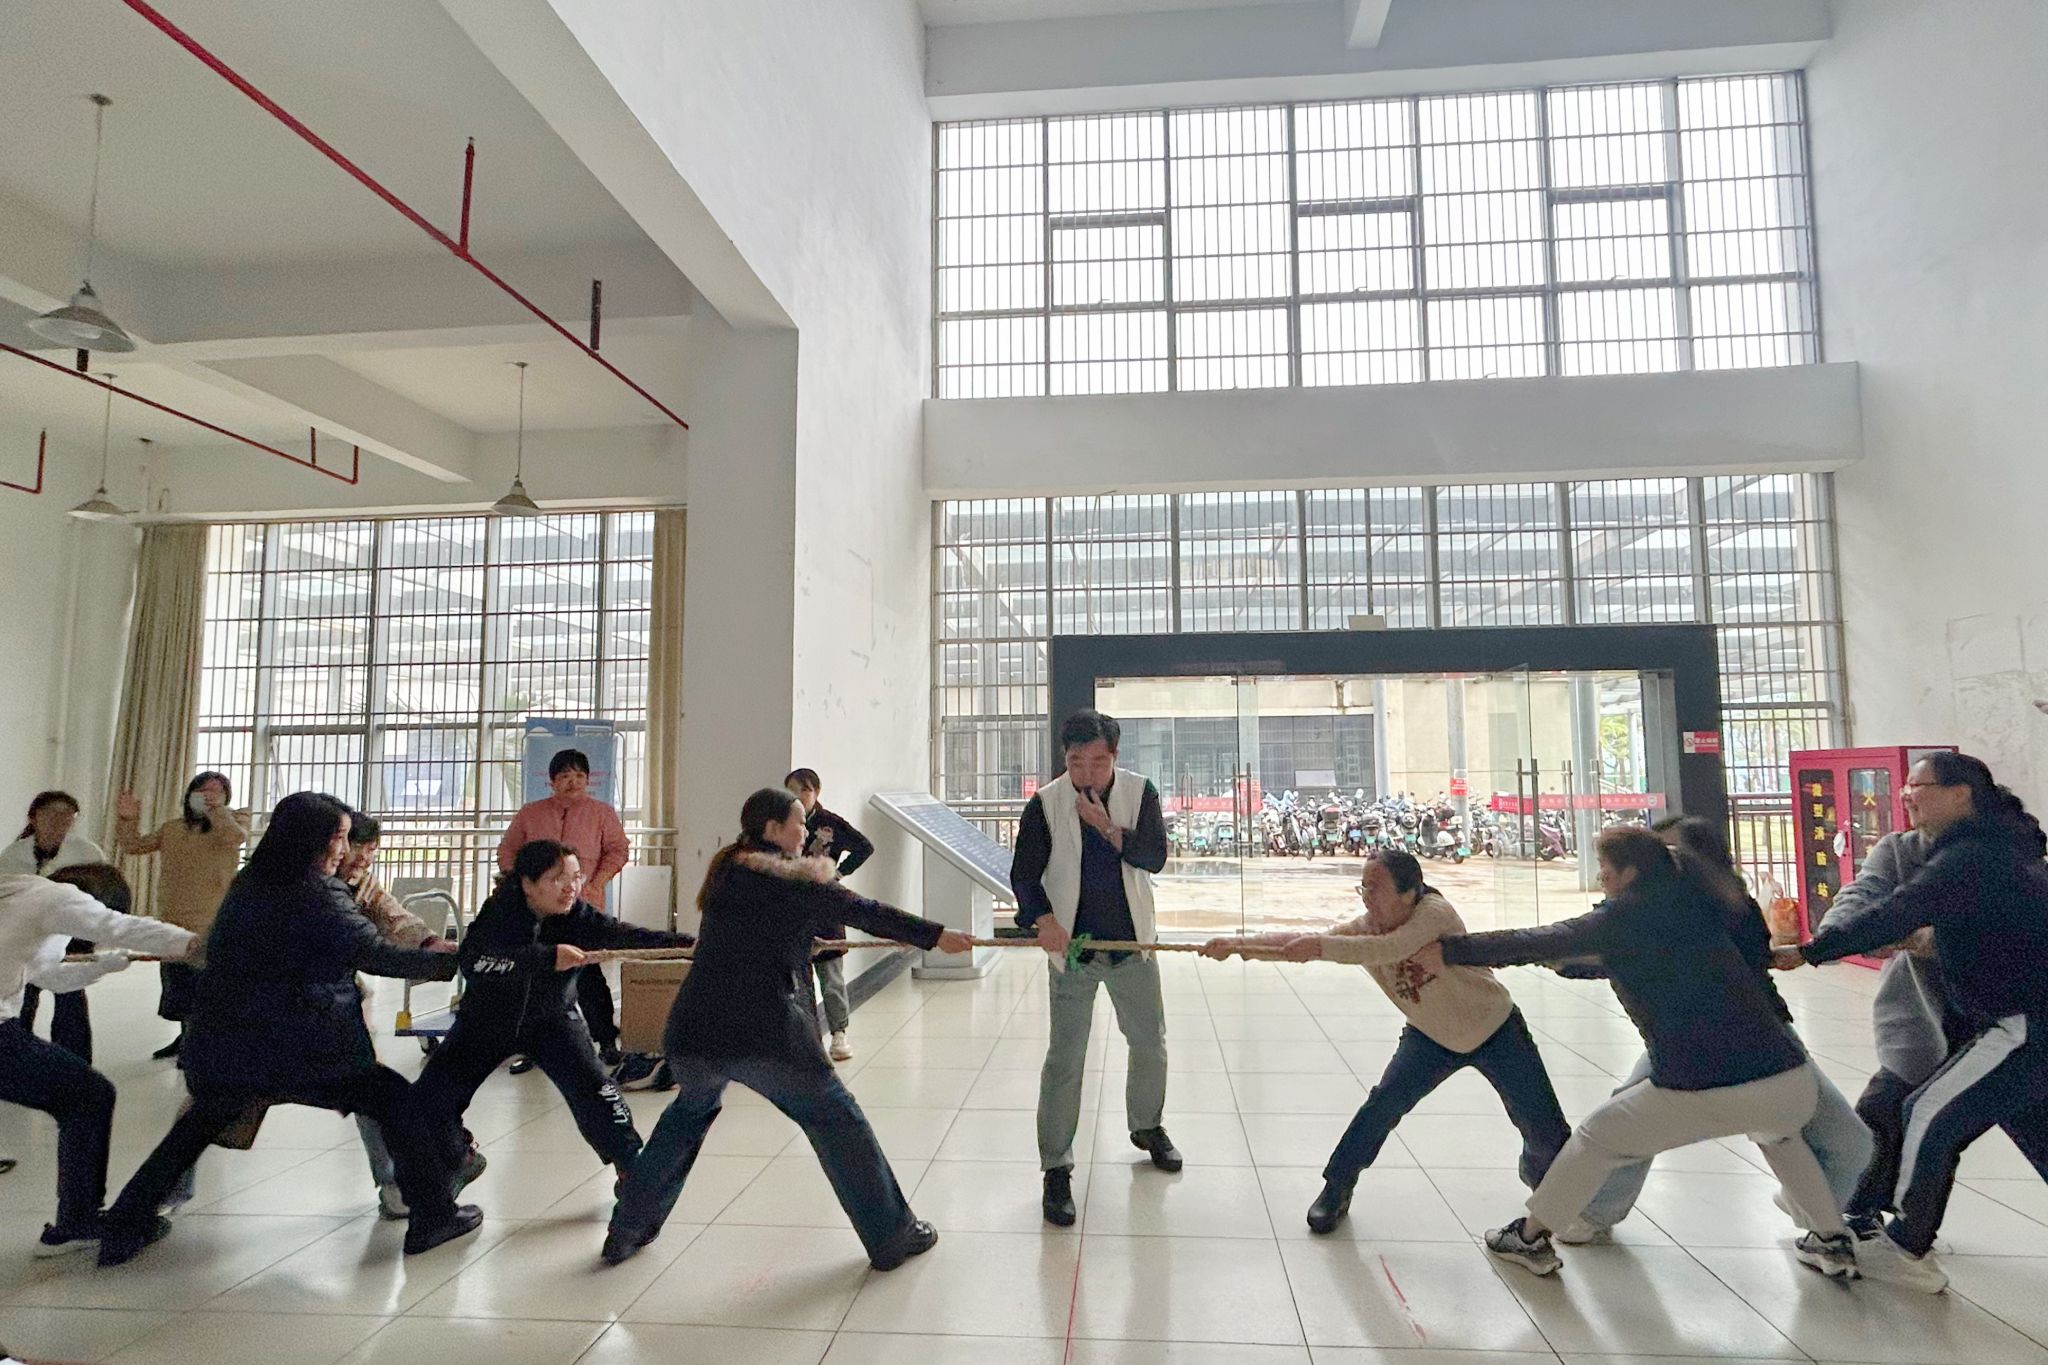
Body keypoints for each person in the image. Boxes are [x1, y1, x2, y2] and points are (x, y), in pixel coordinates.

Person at [1427, 826, 1853, 1280]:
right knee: (1780, 1137)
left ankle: (1529, 1238)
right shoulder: (1693, 905)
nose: (1601, 878)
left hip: (1706, 1083)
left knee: (1596, 1137)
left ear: (1630, 872)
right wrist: (1565, 964)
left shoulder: (1622, 917)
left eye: (1605, 869)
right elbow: (1632, 960)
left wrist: (1450, 950)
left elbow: (1539, 939)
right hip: (1789, 1080)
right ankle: (1832, 1241)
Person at [98, 792, 480, 1267]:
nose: (345, 850)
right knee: (395, 1102)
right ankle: (432, 1214)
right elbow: (374, 954)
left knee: (199, 1124)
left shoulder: (251, 882)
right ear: (312, 838)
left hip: (230, 1041)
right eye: (339, 838)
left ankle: (125, 1223)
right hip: (304, 1044)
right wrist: (457, 963)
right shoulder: (317, 892)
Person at [604, 787, 973, 1270]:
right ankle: (892, 1236)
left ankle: (626, 1230)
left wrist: (798, 940)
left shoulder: (727, 870)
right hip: (764, 1033)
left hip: (694, 1029)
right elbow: (865, 912)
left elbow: (757, 929)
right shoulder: (797, 881)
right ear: (773, 829)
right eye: (799, 822)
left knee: (685, 1117)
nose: (805, 831)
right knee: (837, 1120)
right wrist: (936, 935)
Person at [1779, 752, 2048, 1293]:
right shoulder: (1996, 847)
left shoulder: (1972, 855)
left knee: (1926, 1113)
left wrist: (1810, 952)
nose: (1906, 795)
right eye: (1904, 786)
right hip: (1992, 1024)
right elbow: (1869, 901)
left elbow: (1899, 909)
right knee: (2021, 1123)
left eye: (1918, 786)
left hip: (2020, 1025)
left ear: (1960, 794)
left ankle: (1905, 1245)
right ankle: (1863, 1216)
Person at [1201, 847, 1570, 1235]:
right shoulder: (1366, 927)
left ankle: (1553, 1188)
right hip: (1430, 1035)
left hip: (1495, 1028)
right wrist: (1238, 945)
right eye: (1363, 887)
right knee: (1381, 1108)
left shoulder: (1434, 913)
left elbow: (1390, 948)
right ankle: (1337, 1187)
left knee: (1541, 1124)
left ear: (1409, 893)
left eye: (1375, 888)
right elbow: (1305, 941)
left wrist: (1320, 948)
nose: (1367, 898)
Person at [1558, 817, 1873, 1244]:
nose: (1659, 863)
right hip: (1690, 1036)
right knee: (1628, 1116)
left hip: (1762, 1034)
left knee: (1847, 1141)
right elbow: (1618, 953)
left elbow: (1744, 963)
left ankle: (1817, 1218)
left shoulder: (1726, 906)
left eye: (1670, 853)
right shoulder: (1653, 908)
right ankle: (1596, 1211)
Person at [412, 839, 694, 1191]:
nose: (570, 887)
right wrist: (546, 958)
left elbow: (624, 935)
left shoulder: (578, 915)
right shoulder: (499, 912)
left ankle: (631, 1170)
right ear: (527, 884)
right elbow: (474, 962)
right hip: (486, 1020)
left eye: (576, 877)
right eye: (557, 879)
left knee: (599, 1093)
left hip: (553, 1020)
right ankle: (458, 1159)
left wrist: (688, 945)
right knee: (429, 1101)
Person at [1010, 707, 1178, 1228]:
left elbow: (1154, 856)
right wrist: (1043, 920)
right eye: (1076, 761)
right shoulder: (1044, 803)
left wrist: (1105, 826)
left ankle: (1147, 1126)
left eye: (1097, 762)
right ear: (1065, 757)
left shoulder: (1139, 792)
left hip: (1131, 944)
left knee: (1149, 1042)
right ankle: (1056, 1167)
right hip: (1074, 953)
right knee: (1065, 1058)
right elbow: (1024, 875)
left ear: (1114, 757)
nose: (1085, 773)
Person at [0, 863, 195, 1256]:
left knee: (83, 1095)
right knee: (89, 1096)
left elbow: (48, 977)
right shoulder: (59, 898)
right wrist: (194, 944)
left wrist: (106, 964)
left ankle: (77, 1219)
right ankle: (78, 1222)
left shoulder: (18, 893)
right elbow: (120, 926)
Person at [335, 813, 476, 1221]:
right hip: (284, 1013)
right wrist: (431, 962)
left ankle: (397, 1186)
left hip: (331, 1005)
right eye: (357, 846)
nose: (364, 857)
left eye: (371, 850)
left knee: (374, 1093)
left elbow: (393, 916)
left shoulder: (361, 885)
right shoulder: (311, 888)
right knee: (218, 1102)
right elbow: (372, 951)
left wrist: (429, 942)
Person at [498, 749, 631, 1069]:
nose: (573, 782)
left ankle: (606, 1041)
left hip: (582, 905)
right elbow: (507, 852)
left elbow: (618, 850)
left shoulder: (602, 813)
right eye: (565, 776)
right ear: (552, 782)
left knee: (587, 974)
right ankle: (532, 1048)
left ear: (588, 780)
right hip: (538, 909)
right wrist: (524, 885)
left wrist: (597, 882)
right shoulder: (530, 814)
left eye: (580, 776)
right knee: (536, 976)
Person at [114, 773, 249, 1060]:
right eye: (202, 791)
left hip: (212, 921)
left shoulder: (234, 821)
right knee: (178, 988)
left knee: (206, 988)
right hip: (172, 918)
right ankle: (185, 1038)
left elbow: (236, 837)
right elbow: (133, 846)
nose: (208, 796)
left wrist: (217, 811)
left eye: (217, 792)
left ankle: (201, 1045)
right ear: (189, 795)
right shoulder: (172, 828)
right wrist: (128, 819)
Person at [1, 792, 107, 1063]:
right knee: (23, 998)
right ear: (33, 818)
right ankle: (17, 1061)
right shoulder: (13, 855)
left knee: (70, 998)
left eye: (67, 815)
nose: (59, 821)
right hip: (27, 937)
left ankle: (75, 1064)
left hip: (73, 935)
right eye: (51, 813)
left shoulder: (88, 853)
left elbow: (102, 894)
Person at [785, 767, 875, 1063]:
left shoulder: (831, 823)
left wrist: (838, 872)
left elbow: (864, 847)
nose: (799, 796)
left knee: (831, 976)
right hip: (792, 908)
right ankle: (807, 1039)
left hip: (825, 906)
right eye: (792, 791)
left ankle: (839, 1032)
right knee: (798, 980)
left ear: (816, 792)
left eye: (805, 790)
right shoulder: (781, 823)